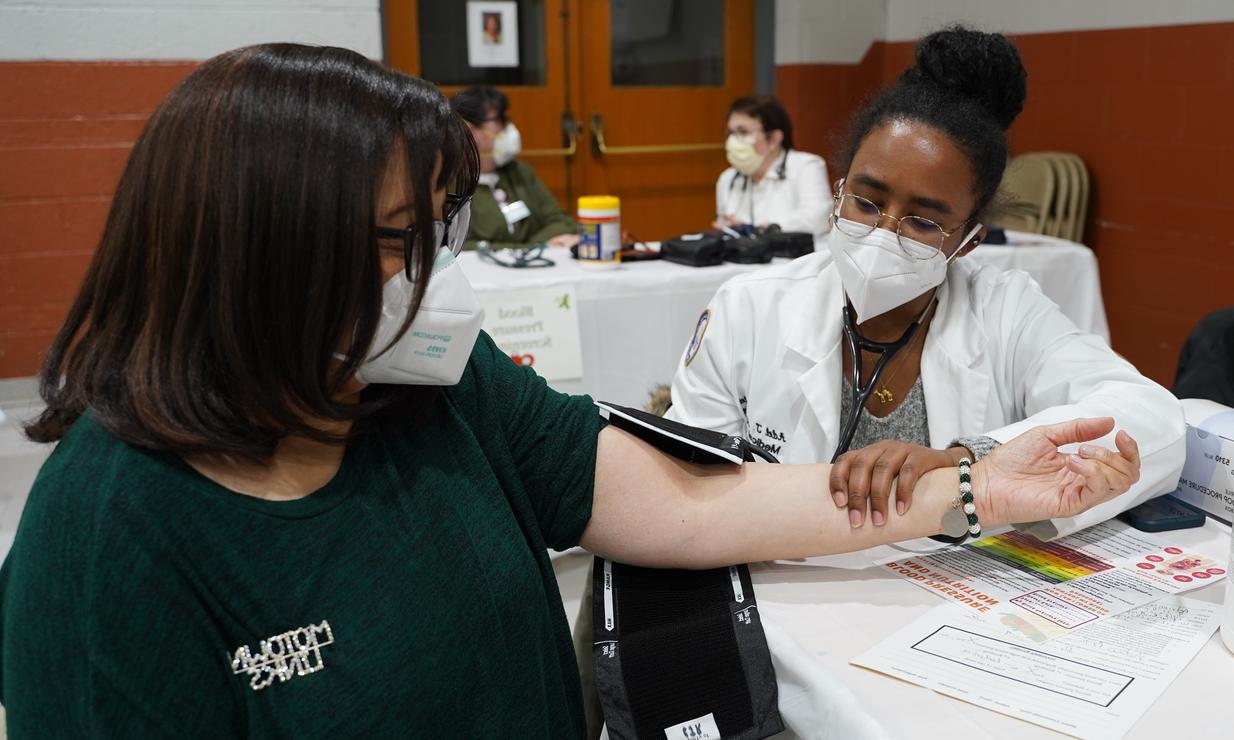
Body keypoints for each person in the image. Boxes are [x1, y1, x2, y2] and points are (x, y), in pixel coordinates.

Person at [0, 43, 1143, 737]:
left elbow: (691, 505)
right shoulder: (108, 543)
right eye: (401, 239)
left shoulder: (430, 380)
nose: (431, 279)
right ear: (257, 248)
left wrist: (973, 486)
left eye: (440, 231)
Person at [670, 26, 1185, 541]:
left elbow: (1151, 417)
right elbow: (685, 485)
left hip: (952, 599)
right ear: (838, 192)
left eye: (924, 223)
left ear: (969, 242)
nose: (883, 233)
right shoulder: (749, 309)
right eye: (866, 203)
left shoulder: (1006, 311)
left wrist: (967, 463)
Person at [451, 86, 580, 251]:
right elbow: (460, 246)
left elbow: (562, 222)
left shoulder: (519, 171)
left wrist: (529, 248)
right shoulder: (450, 182)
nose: (508, 127)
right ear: (469, 129)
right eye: (498, 120)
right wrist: (532, 247)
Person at [714, 94, 831, 238]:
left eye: (743, 132)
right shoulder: (728, 178)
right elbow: (725, 227)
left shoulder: (806, 166)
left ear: (773, 139)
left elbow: (818, 219)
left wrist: (760, 228)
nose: (732, 140)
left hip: (795, 258)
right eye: (730, 133)